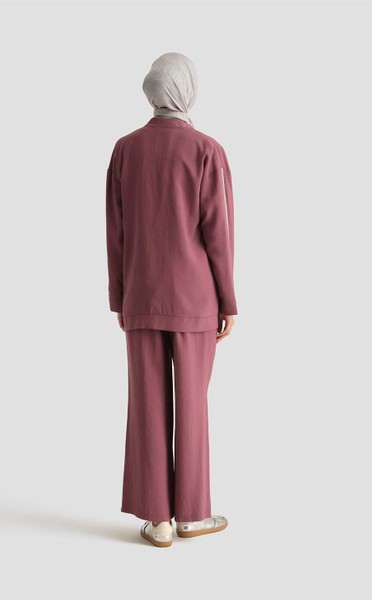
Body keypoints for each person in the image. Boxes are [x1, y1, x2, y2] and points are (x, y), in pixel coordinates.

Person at [105, 52, 238, 548]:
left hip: (141, 296)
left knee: (147, 403)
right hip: (196, 301)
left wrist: (119, 297)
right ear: (187, 90)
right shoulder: (207, 150)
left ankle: (158, 521)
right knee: (193, 405)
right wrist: (228, 301)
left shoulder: (125, 150)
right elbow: (219, 236)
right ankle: (192, 516)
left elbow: (116, 231)